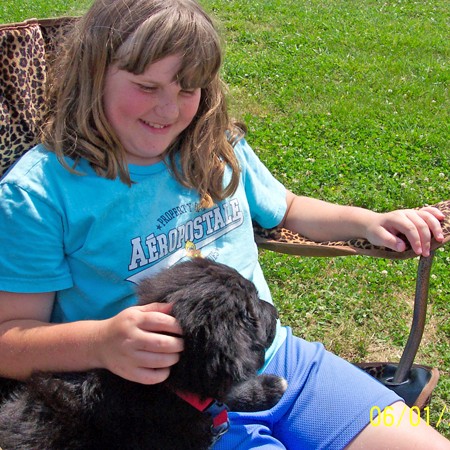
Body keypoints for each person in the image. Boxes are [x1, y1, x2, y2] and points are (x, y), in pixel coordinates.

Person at [0, 0, 448, 448]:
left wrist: (369, 221)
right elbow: (9, 339)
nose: (168, 110)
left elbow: (286, 208)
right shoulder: (40, 194)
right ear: (91, 74)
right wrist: (101, 341)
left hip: (286, 362)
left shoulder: (212, 145)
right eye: (146, 85)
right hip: (164, 409)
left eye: (187, 89)